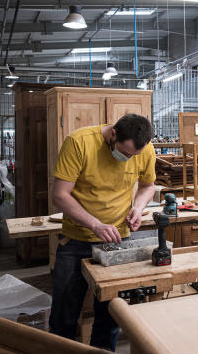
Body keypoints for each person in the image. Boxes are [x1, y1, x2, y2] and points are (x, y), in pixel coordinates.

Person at [49, 114, 156, 350]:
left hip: (118, 241)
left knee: (110, 316)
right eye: (125, 153)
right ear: (114, 134)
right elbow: (60, 195)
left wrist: (137, 208)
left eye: (134, 156)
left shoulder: (145, 150)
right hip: (76, 241)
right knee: (64, 316)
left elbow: (148, 186)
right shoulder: (79, 142)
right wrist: (95, 224)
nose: (128, 159)